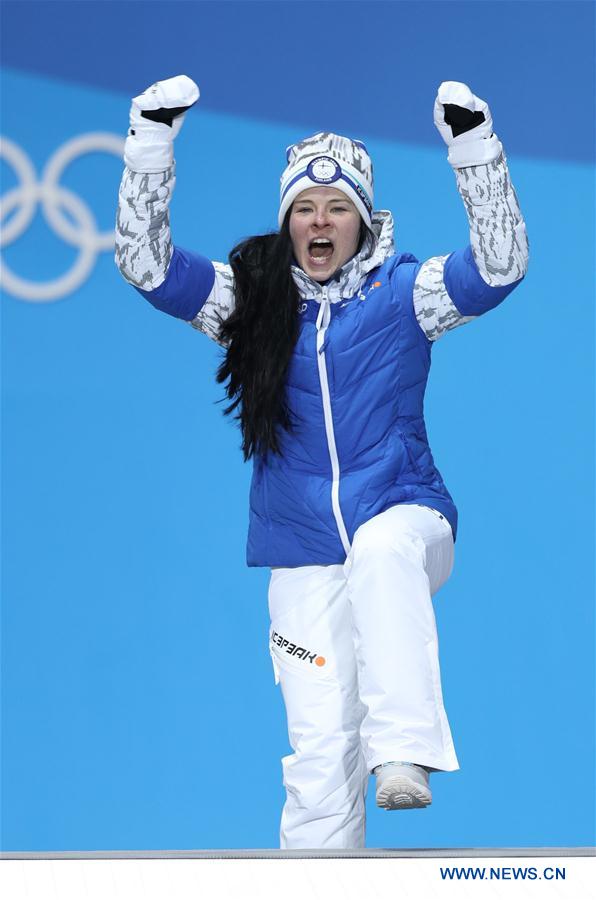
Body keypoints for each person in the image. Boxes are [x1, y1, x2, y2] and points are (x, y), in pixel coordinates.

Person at [115, 75, 529, 849]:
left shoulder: (407, 293)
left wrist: (475, 147)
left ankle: (404, 751)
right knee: (316, 749)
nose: (320, 220)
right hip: (300, 552)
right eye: (304, 208)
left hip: (406, 516)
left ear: (363, 220)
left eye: (337, 207)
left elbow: (499, 267)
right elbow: (147, 267)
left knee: (379, 550)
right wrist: (149, 142)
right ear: (287, 221)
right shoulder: (255, 305)